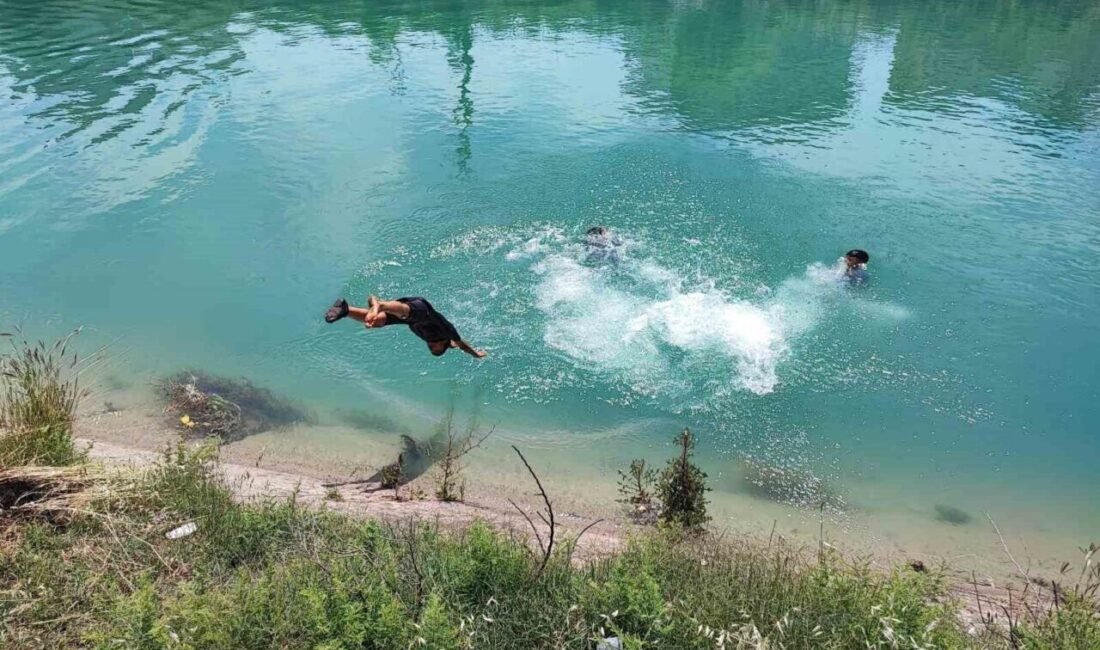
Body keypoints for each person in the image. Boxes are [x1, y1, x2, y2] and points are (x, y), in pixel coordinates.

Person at [324, 295, 486, 358]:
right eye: (436, 348)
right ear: (444, 343)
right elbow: (461, 344)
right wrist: (476, 354)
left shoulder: (425, 337)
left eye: (431, 349)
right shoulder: (447, 331)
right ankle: (380, 304)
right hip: (422, 310)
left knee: (376, 321)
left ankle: (345, 309)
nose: (431, 345)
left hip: (409, 320)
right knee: (405, 313)